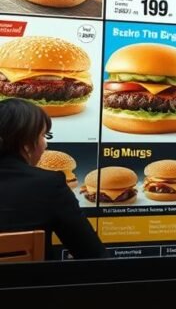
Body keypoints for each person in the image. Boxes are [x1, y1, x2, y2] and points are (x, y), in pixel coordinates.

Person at [0, 99, 104, 260]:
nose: (45, 144)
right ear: (26, 143)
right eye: (43, 135)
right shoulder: (49, 185)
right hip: (32, 284)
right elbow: (93, 254)